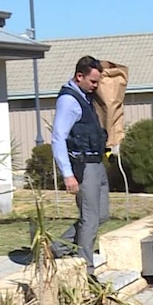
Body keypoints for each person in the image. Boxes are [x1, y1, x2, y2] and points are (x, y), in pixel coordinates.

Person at [50, 55, 110, 274]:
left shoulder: (85, 97)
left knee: (101, 215)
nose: (96, 86)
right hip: (83, 167)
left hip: (97, 163)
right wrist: (67, 174)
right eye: (93, 81)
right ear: (79, 76)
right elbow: (58, 138)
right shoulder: (69, 101)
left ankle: (56, 247)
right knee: (90, 218)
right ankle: (86, 269)